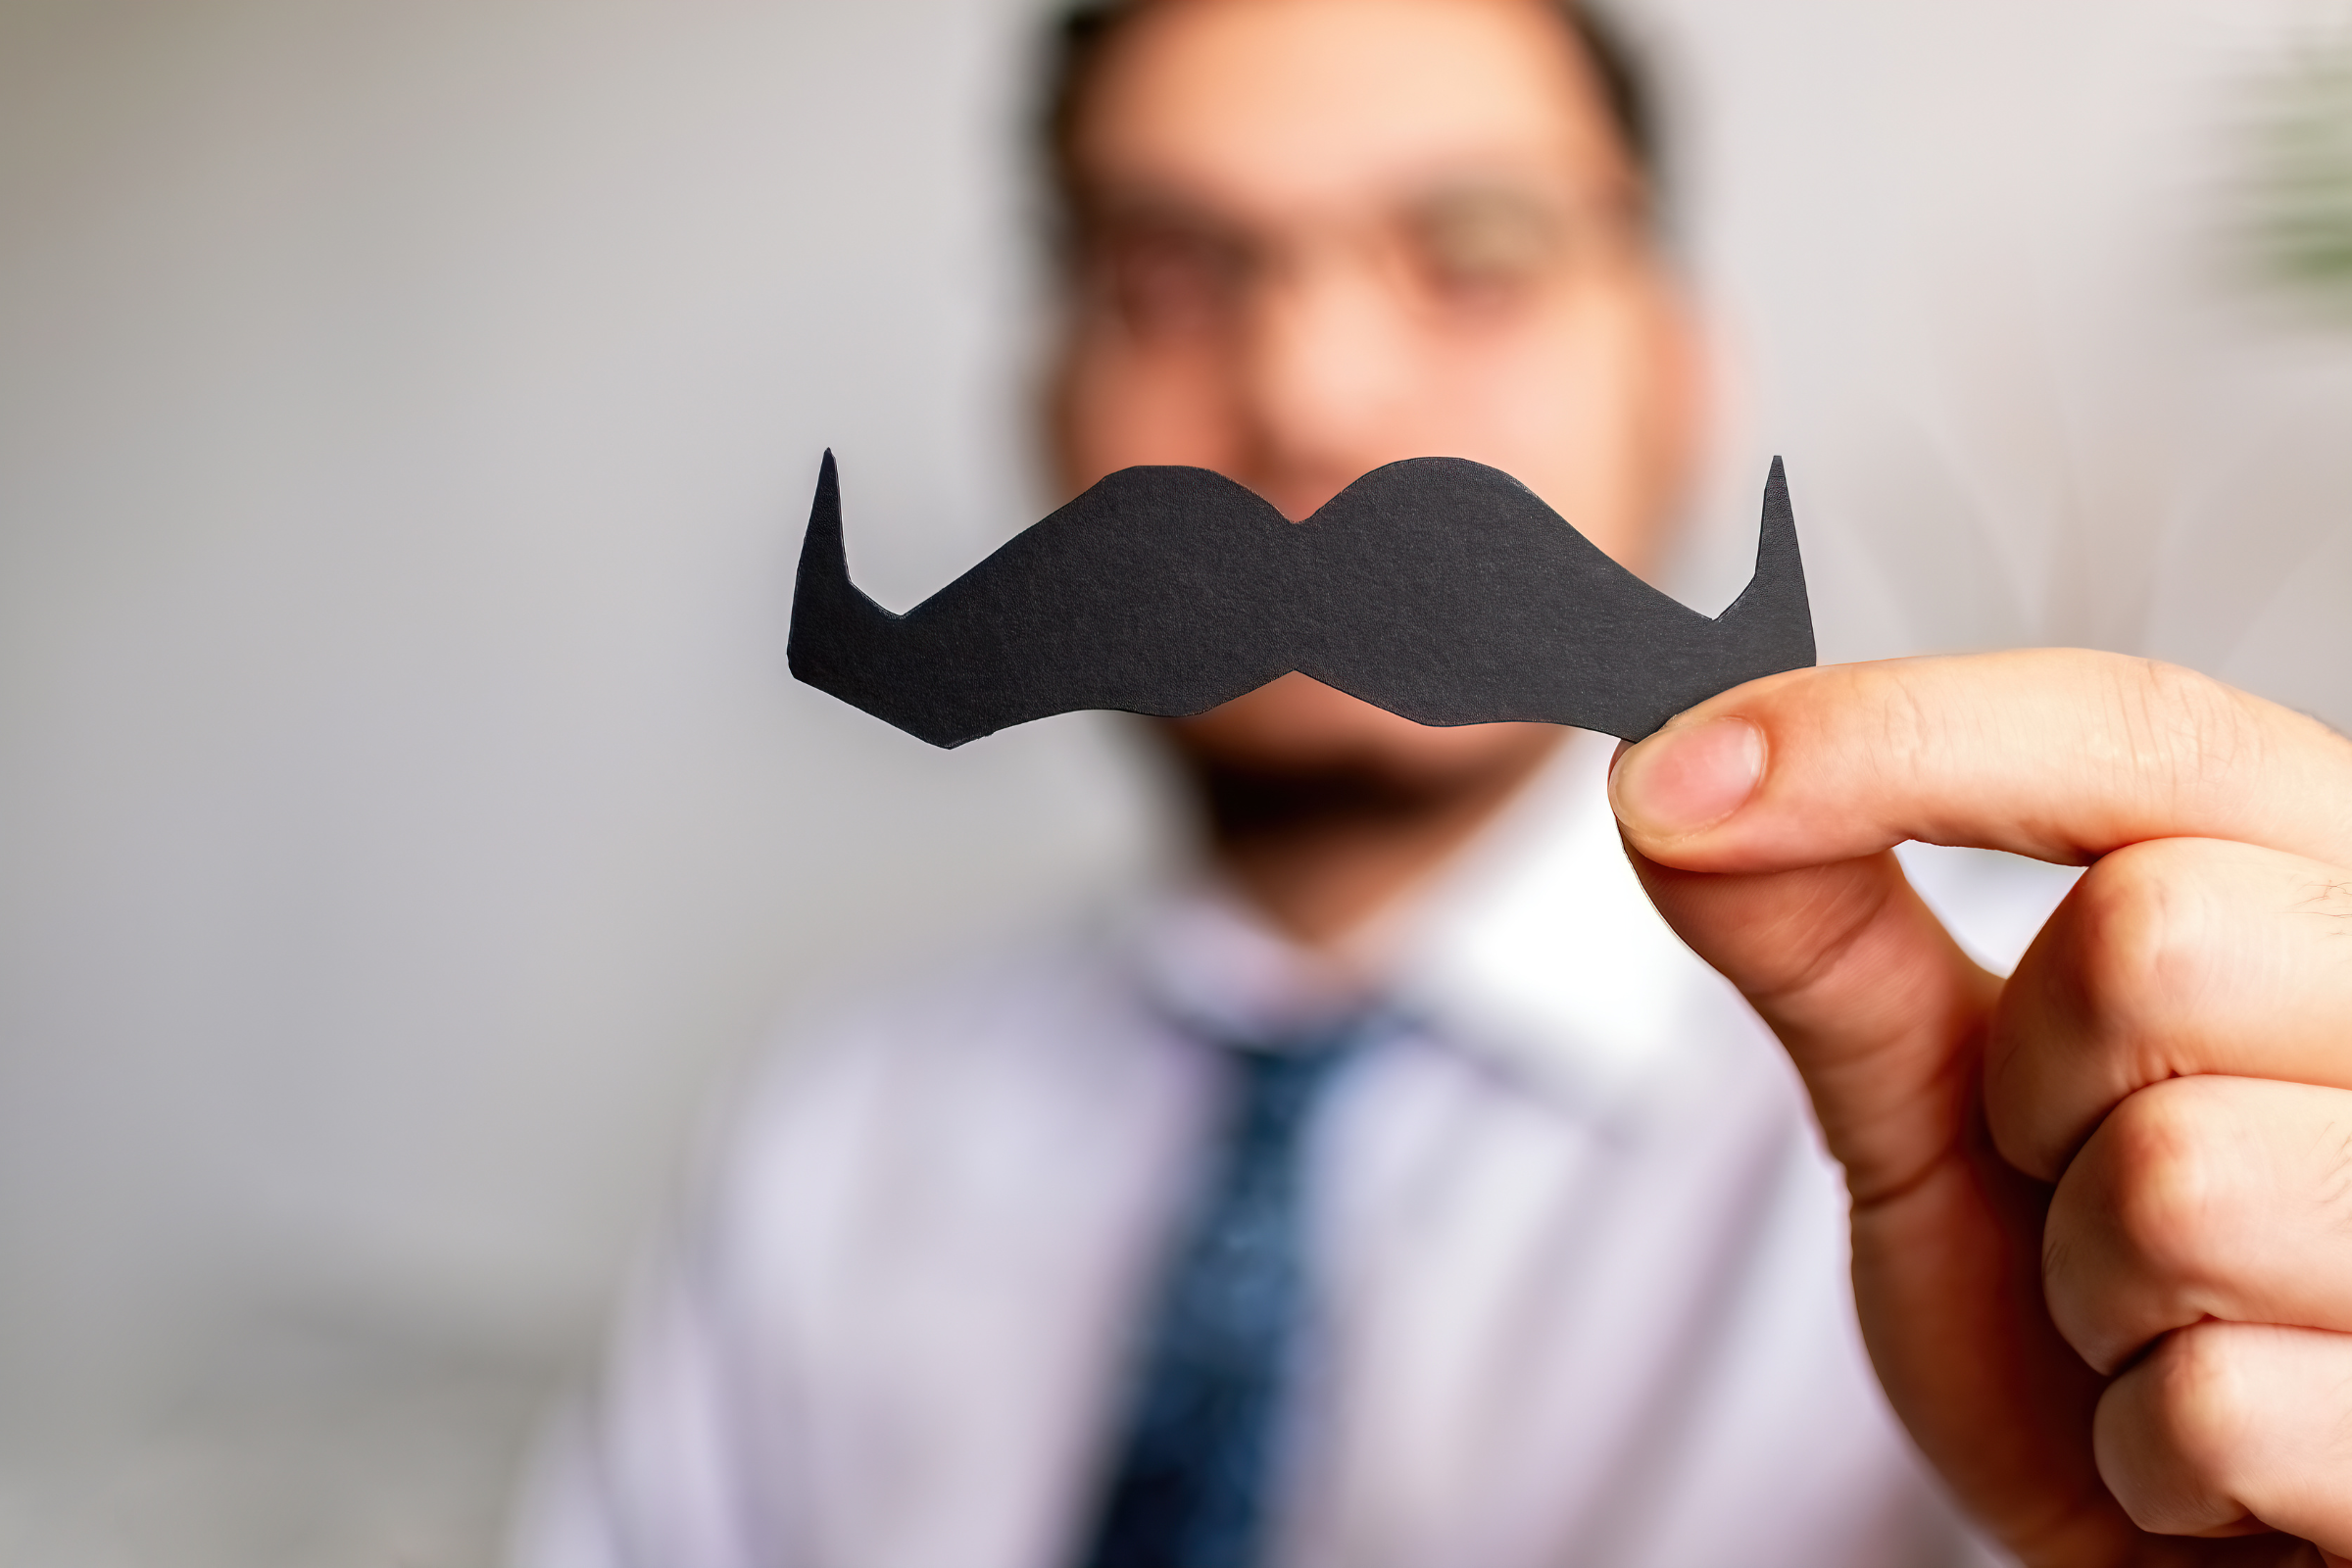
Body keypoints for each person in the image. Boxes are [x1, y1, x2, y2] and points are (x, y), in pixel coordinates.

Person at [521, 2, 2352, 1564]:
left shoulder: (2092, 1096)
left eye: (1473, 259)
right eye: (1167, 280)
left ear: (1682, 372)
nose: (1308, 399)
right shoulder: (829, 1147)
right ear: (1044, 398)